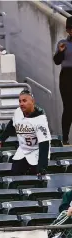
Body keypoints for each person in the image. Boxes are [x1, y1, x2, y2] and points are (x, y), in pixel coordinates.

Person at [0, 90, 51, 176]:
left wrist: (42, 167)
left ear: (32, 102)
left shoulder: (40, 119)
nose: (21, 104)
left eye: (24, 101)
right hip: (23, 150)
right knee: (15, 174)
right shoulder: (18, 112)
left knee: (34, 178)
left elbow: (44, 144)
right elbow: (11, 125)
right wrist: (2, 139)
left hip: (36, 152)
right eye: (20, 101)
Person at [53, 16, 72, 145]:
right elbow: (57, 61)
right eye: (69, 29)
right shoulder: (63, 43)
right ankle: (65, 137)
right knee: (68, 107)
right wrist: (60, 52)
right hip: (67, 76)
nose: (71, 31)